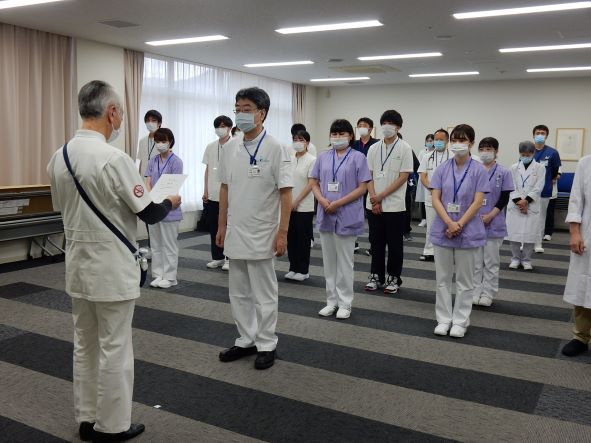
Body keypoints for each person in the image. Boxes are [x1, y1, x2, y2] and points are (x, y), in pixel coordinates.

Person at [47, 80, 181, 442]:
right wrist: (173, 201)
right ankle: (113, 425)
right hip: (111, 266)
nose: (121, 116)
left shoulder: (58, 157)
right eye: (120, 110)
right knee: (115, 346)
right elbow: (150, 213)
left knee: (84, 343)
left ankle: (87, 419)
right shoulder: (114, 159)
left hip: (77, 263)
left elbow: (62, 208)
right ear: (111, 112)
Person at [216, 87, 293, 370]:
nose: (240, 113)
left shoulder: (277, 148)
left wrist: (282, 232)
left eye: (246, 109)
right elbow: (224, 188)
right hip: (236, 229)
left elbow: (286, 193)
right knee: (238, 291)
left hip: (263, 230)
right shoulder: (230, 146)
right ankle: (245, 339)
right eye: (237, 108)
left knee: (264, 293)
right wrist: (221, 224)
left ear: (262, 113)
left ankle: (266, 343)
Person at [429, 124, 489, 338]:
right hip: (442, 229)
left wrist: (459, 224)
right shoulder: (443, 168)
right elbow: (435, 198)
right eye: (454, 140)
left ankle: (460, 321)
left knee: (465, 281)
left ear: (471, 143)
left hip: (468, 230)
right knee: (443, 279)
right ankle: (443, 319)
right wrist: (448, 222)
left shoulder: (479, 170)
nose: (457, 144)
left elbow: (478, 202)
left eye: (462, 140)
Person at [310, 119, 371, 318]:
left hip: (346, 213)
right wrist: (321, 200)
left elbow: (363, 187)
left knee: (345, 262)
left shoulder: (358, 158)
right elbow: (313, 180)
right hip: (326, 212)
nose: (337, 137)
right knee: (329, 261)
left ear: (350, 136)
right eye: (334, 134)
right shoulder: (323, 156)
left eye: (342, 134)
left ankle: (345, 304)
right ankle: (331, 301)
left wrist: (338, 203)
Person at [364, 110, 414, 294]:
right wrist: (374, 198)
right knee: (375, 243)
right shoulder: (373, 148)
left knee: (394, 244)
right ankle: (376, 275)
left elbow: (403, 177)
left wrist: (381, 196)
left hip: (394, 206)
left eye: (390, 123)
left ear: (398, 127)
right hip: (373, 203)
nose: (387, 126)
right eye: (384, 122)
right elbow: (367, 175)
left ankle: (394, 278)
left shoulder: (405, 148)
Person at [472, 137, 514, 306]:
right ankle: (475, 291)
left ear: (496, 151)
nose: (485, 152)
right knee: (475, 262)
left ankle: (488, 293)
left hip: (494, 221)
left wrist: (490, 215)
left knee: (491, 262)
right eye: (482, 148)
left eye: (488, 148)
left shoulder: (503, 172)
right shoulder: (474, 170)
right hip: (474, 221)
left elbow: (504, 198)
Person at [145, 128, 184, 288]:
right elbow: (147, 181)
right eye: (158, 141)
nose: (160, 144)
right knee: (156, 244)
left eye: (163, 141)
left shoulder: (176, 161)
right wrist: (150, 197)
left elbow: (174, 185)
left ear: (170, 142)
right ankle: (158, 274)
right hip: (154, 207)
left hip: (170, 208)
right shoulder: (152, 161)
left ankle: (170, 277)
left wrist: (162, 199)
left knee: (169, 245)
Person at [562, 156, 591, 356]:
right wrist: (574, 232)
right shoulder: (585, 163)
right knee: (583, 286)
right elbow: (576, 199)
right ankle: (580, 336)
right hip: (588, 234)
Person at [506, 141, 545, 270]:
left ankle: (527, 260)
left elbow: (539, 187)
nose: (525, 156)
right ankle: (515, 258)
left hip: (531, 205)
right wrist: (519, 202)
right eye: (523, 154)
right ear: (519, 153)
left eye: (528, 154)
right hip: (516, 205)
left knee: (530, 235)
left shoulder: (540, 168)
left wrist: (526, 201)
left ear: (533, 153)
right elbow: (511, 186)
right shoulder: (513, 167)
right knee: (514, 234)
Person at [202, 115, 233, 271]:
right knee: (213, 226)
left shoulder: (235, 145)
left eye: (223, 126)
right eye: (218, 126)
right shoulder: (210, 146)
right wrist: (205, 190)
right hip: (213, 193)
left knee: (227, 227)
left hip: (228, 194)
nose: (220, 128)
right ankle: (217, 257)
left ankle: (229, 257)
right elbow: (207, 169)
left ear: (229, 127)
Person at [418, 128, 453, 262]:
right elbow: (423, 176)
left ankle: (447, 251)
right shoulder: (427, 156)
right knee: (432, 226)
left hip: (449, 197)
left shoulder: (453, 157)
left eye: (441, 140)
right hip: (431, 195)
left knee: (448, 224)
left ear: (447, 141)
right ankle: (429, 251)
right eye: (436, 140)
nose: (438, 142)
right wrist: (433, 189)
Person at [286, 130, 316, 281]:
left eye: (301, 139)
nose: (297, 141)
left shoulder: (312, 160)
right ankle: (293, 267)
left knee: (303, 239)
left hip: (304, 206)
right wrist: (288, 201)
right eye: (295, 139)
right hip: (288, 205)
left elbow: (311, 183)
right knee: (291, 238)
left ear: (307, 143)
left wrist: (297, 201)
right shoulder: (289, 159)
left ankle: (303, 270)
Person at [532, 125, 561, 253]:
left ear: (546, 136)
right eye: (537, 132)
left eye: (542, 133)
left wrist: (551, 179)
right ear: (533, 135)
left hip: (544, 190)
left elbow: (556, 170)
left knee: (541, 217)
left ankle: (538, 243)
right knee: (528, 217)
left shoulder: (553, 153)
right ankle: (525, 242)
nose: (540, 135)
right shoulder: (528, 150)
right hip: (528, 190)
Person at [352, 117, 379, 253]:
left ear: (370, 129)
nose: (361, 127)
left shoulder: (376, 144)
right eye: (359, 125)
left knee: (372, 216)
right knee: (353, 213)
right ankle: (353, 242)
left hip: (371, 183)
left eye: (364, 125)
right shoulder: (353, 144)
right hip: (355, 183)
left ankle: (373, 245)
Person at [136, 110, 162, 177]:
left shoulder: (164, 141)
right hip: (144, 179)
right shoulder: (142, 141)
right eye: (148, 120)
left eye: (153, 120)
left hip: (158, 179)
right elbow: (141, 162)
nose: (150, 123)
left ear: (159, 123)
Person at [416, 134, 435, 227]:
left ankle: (432, 219)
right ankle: (424, 219)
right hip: (423, 179)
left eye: (431, 140)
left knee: (433, 199)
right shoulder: (422, 152)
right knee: (423, 200)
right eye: (428, 141)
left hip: (433, 180)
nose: (429, 142)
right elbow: (419, 166)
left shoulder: (437, 152)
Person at [544, 165, 562, 241]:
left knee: (549, 213)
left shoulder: (555, 161)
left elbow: (558, 175)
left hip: (551, 193)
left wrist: (553, 177)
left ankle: (548, 233)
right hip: (538, 193)